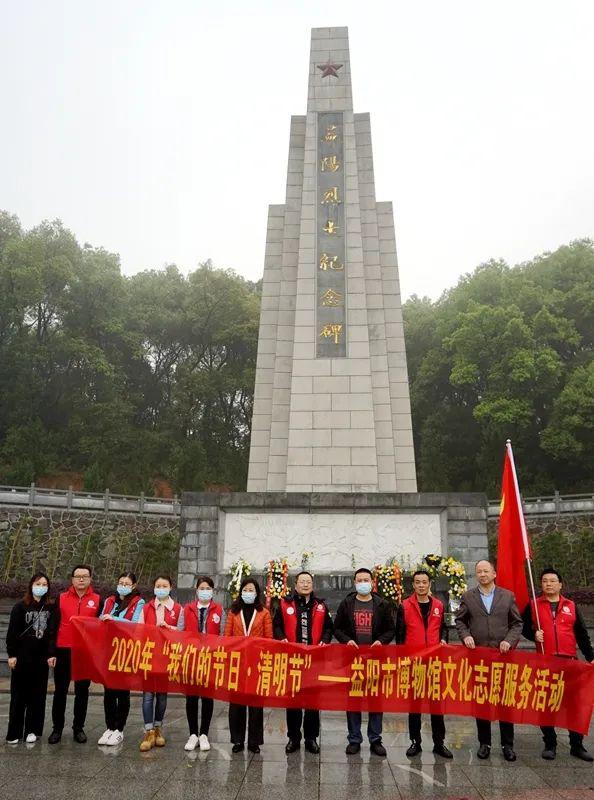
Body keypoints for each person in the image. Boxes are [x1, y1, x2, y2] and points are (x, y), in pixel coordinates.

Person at [522, 567, 594, 762]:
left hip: (570, 662)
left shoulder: (571, 605)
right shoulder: (534, 605)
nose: (548, 584)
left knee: (574, 706)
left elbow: (581, 634)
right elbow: (522, 627)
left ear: (560, 584)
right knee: (546, 706)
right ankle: (550, 744)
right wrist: (533, 635)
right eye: (545, 581)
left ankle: (576, 745)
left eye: (552, 581)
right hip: (546, 662)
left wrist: (590, 656)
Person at [455, 559, 523, 762]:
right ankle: (484, 743)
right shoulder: (468, 596)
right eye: (479, 572)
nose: (482, 574)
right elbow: (460, 620)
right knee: (482, 701)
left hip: (503, 657)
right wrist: (465, 635)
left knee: (504, 702)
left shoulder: (507, 596)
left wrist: (509, 642)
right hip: (479, 658)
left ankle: (507, 745)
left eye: (486, 571)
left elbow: (517, 624)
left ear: (494, 574)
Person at [333, 567, 396, 757]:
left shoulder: (382, 604)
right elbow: (337, 629)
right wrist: (346, 640)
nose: (363, 583)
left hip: (375, 660)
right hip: (353, 661)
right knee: (353, 700)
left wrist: (381, 641)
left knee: (375, 700)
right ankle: (354, 739)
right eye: (359, 580)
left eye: (366, 580)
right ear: (355, 583)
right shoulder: (347, 603)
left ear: (372, 582)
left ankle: (375, 739)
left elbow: (390, 630)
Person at [273, 570, 333, 754]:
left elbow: (329, 628)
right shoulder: (285, 604)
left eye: (308, 582)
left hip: (314, 661)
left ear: (312, 585)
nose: (305, 584)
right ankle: (293, 738)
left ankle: (311, 738)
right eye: (302, 581)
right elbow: (276, 626)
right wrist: (281, 638)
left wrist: (325, 640)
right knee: (293, 702)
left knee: (313, 703)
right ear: (296, 584)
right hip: (292, 661)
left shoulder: (320, 605)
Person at [396, 570, 452, 759]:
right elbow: (400, 636)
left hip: (435, 662)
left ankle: (439, 743)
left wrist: (443, 640)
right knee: (415, 704)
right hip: (415, 663)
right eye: (418, 582)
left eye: (424, 582)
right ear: (413, 585)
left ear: (429, 584)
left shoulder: (438, 605)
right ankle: (415, 742)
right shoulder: (404, 606)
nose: (421, 585)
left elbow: (444, 629)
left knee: (437, 705)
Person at [49, 564, 100, 744]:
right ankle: (57, 729)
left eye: (84, 576)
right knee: (60, 691)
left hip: (84, 652)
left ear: (90, 579)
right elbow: (53, 627)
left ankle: (78, 728)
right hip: (63, 649)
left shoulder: (97, 599)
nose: (81, 579)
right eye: (77, 576)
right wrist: (52, 652)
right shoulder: (61, 598)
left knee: (82, 692)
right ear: (72, 579)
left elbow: (100, 628)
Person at [5, 572, 58, 744]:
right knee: (19, 695)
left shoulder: (51, 607)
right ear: (31, 585)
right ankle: (14, 731)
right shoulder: (20, 607)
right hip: (22, 657)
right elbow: (12, 632)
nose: (41, 587)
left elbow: (52, 633)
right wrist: (11, 654)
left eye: (44, 584)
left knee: (38, 696)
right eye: (38, 583)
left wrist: (51, 654)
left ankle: (32, 730)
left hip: (41, 659)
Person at [224, 577, 272, 754]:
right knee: (236, 704)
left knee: (256, 704)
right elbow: (227, 637)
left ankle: (254, 741)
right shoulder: (233, 612)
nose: (248, 593)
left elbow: (269, 639)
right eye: (245, 590)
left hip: (257, 663)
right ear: (241, 592)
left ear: (257, 593)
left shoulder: (264, 613)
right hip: (236, 663)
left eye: (251, 590)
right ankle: (237, 740)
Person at [97, 571, 145, 746]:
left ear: (133, 585)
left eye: (127, 583)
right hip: (108, 649)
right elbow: (101, 618)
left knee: (122, 691)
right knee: (108, 690)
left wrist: (114, 618)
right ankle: (109, 727)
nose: (123, 586)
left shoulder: (138, 602)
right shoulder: (109, 600)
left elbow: (134, 624)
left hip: (125, 649)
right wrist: (104, 618)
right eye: (120, 582)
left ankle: (119, 729)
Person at [138, 574, 184, 752]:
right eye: (158, 585)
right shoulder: (147, 607)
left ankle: (158, 728)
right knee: (148, 695)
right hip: (149, 656)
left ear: (171, 587)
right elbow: (138, 631)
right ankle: (148, 730)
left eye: (164, 585)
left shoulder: (178, 609)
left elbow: (182, 633)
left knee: (163, 696)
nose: (161, 588)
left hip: (167, 657)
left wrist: (169, 628)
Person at [182, 575, 223, 752]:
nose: (204, 591)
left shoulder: (219, 610)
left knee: (207, 696)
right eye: (202, 588)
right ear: (196, 590)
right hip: (191, 657)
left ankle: (204, 733)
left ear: (212, 591)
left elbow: (223, 635)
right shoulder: (188, 608)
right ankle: (193, 733)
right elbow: (180, 631)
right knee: (191, 696)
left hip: (211, 658)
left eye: (208, 588)